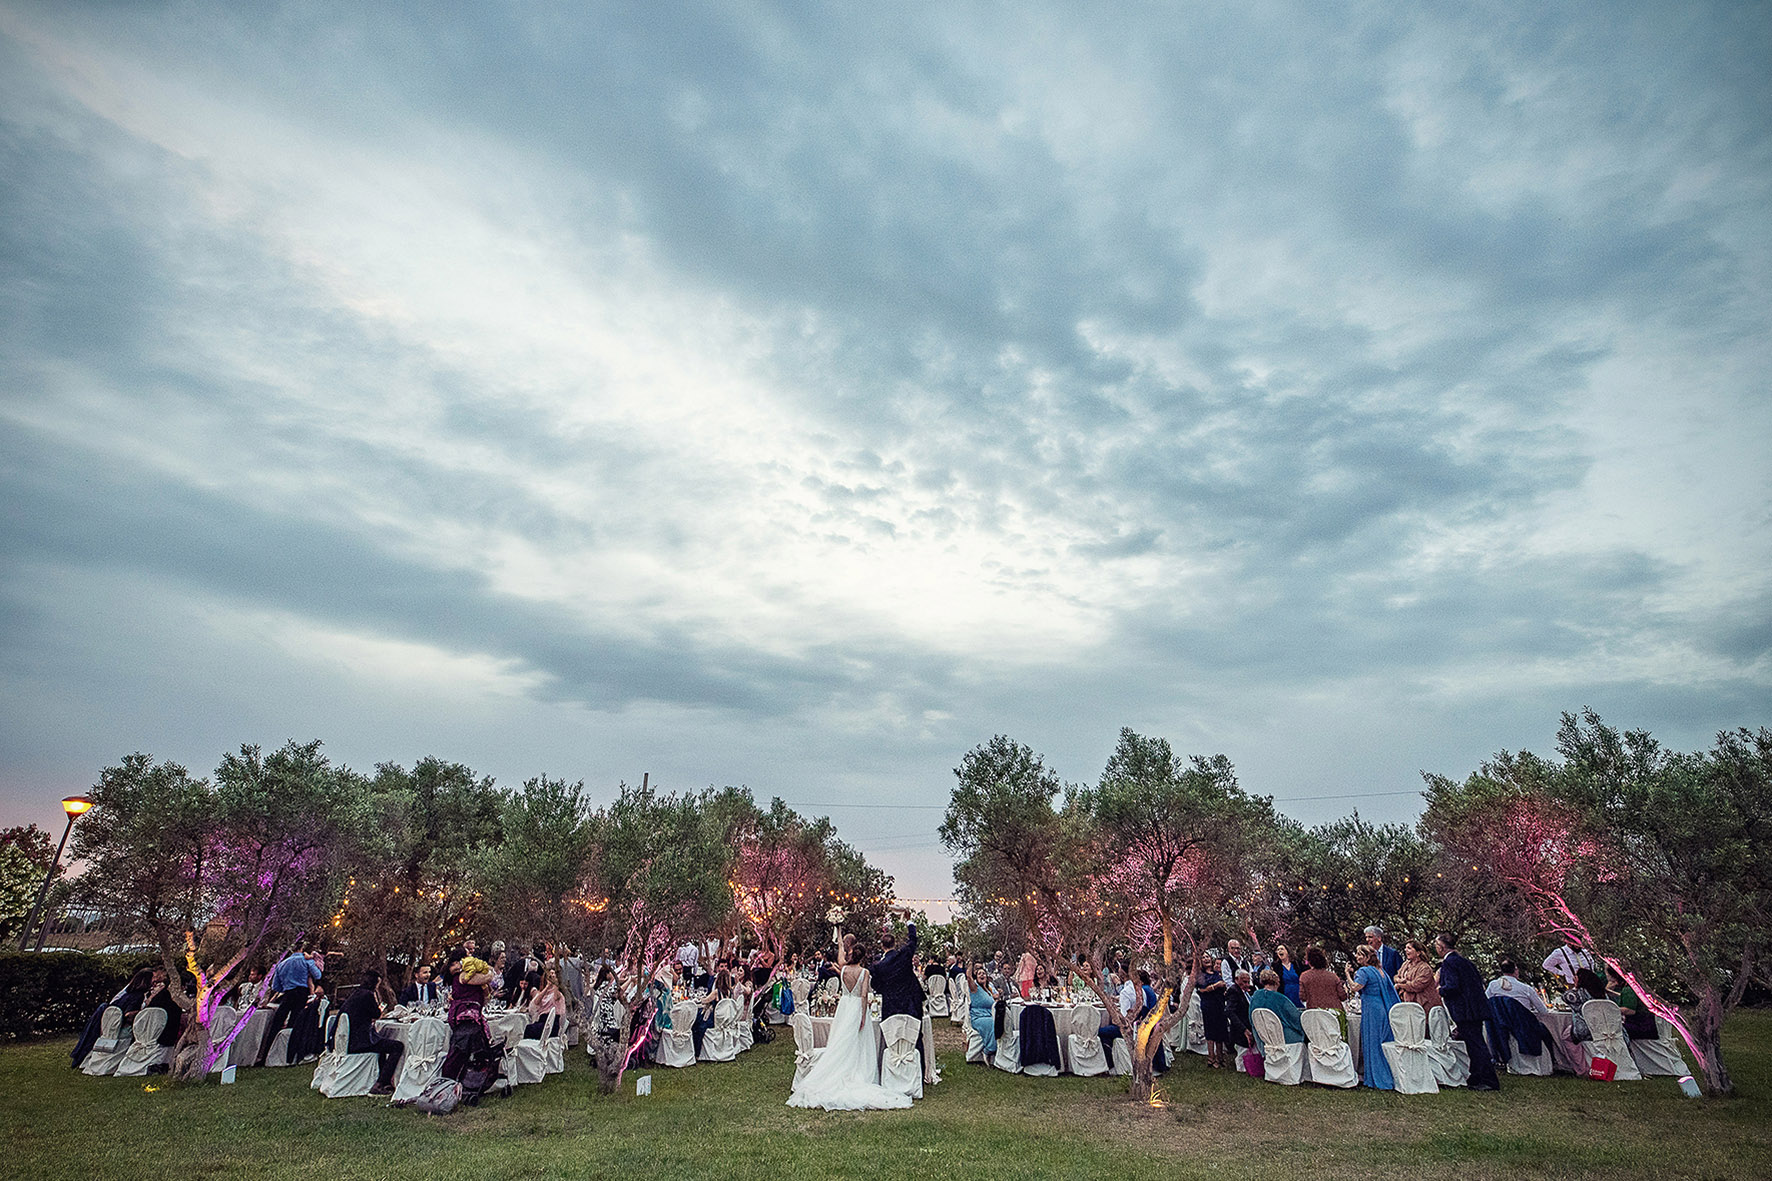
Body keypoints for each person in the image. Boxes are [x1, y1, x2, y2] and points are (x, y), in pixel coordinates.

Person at [786, 933, 913, 1110]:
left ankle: (836, 1073)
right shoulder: (865, 972)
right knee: (859, 1042)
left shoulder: (844, 969)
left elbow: (842, 970)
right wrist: (863, 1017)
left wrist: (839, 938)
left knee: (841, 1039)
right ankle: (859, 1073)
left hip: (844, 1007)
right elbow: (863, 996)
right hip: (856, 1008)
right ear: (864, 957)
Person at [1435, 931, 1500, 1091]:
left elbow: (1453, 986)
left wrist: (1440, 989)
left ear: (1441, 947)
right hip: (1475, 1008)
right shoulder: (1465, 962)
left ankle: (1488, 1080)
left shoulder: (1449, 964)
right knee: (1475, 1043)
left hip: (1464, 1010)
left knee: (1476, 1045)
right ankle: (1476, 1076)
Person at [340, 970, 406, 1095]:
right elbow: (376, 1014)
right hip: (359, 1041)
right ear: (375, 983)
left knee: (382, 1045)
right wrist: (380, 1007)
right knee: (397, 1046)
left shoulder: (356, 993)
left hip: (349, 1039)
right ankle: (381, 1083)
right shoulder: (368, 995)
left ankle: (381, 1079)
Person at [255, 943, 322, 1067]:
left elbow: (276, 986)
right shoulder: (305, 961)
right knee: (295, 1023)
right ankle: (290, 1055)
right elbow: (318, 975)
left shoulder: (282, 964)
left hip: (287, 994)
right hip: (301, 993)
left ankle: (265, 1056)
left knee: (276, 1024)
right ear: (302, 949)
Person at [1344, 945, 1398, 1089]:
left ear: (1367, 957)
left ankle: (1376, 1078)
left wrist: (1347, 974)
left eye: (1359, 954)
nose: (1356, 956)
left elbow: (1355, 987)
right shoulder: (1381, 971)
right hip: (1382, 1007)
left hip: (1371, 1009)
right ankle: (1383, 1075)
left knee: (1372, 1042)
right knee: (1380, 1041)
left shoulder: (1364, 971)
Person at [1248, 969, 1307, 1048]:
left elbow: (1251, 1018)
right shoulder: (1280, 998)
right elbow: (1295, 1018)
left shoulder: (1255, 997)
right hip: (1285, 1039)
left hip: (1264, 1039)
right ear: (1277, 982)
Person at [1196, 953, 1231, 1069]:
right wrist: (1215, 986)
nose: (1206, 959)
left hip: (1219, 1004)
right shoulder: (1201, 975)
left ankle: (1220, 1057)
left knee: (1221, 1029)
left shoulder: (1217, 973)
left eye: (1208, 957)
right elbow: (1202, 989)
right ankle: (1211, 1057)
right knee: (1211, 1030)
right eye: (1203, 957)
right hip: (1208, 1005)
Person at [1395, 938, 1443, 1011]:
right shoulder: (1406, 964)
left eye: (1409, 948)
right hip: (1408, 1004)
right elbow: (1396, 976)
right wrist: (1400, 980)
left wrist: (1399, 985)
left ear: (1418, 953)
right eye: (1405, 948)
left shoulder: (1425, 968)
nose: (1405, 950)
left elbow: (1416, 985)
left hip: (1424, 1005)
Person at [967, 964, 1000, 1065]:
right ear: (976, 977)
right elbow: (968, 977)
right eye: (979, 973)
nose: (982, 975)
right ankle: (988, 1051)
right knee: (992, 1024)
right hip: (978, 1017)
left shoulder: (988, 990)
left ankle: (999, 1052)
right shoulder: (975, 988)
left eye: (983, 973)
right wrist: (970, 963)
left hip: (990, 1015)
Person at [1298, 946, 1346, 1011]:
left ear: (1309, 961)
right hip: (1334, 1012)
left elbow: (1302, 997)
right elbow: (1343, 996)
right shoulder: (1333, 976)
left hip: (1316, 1012)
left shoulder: (1304, 976)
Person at [525, 968, 566, 1041]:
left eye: (554, 974)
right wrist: (547, 986)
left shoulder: (558, 994)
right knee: (528, 1028)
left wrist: (555, 983)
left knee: (529, 1029)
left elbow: (556, 996)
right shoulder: (543, 993)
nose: (552, 976)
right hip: (542, 1020)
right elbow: (536, 1002)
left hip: (552, 1023)